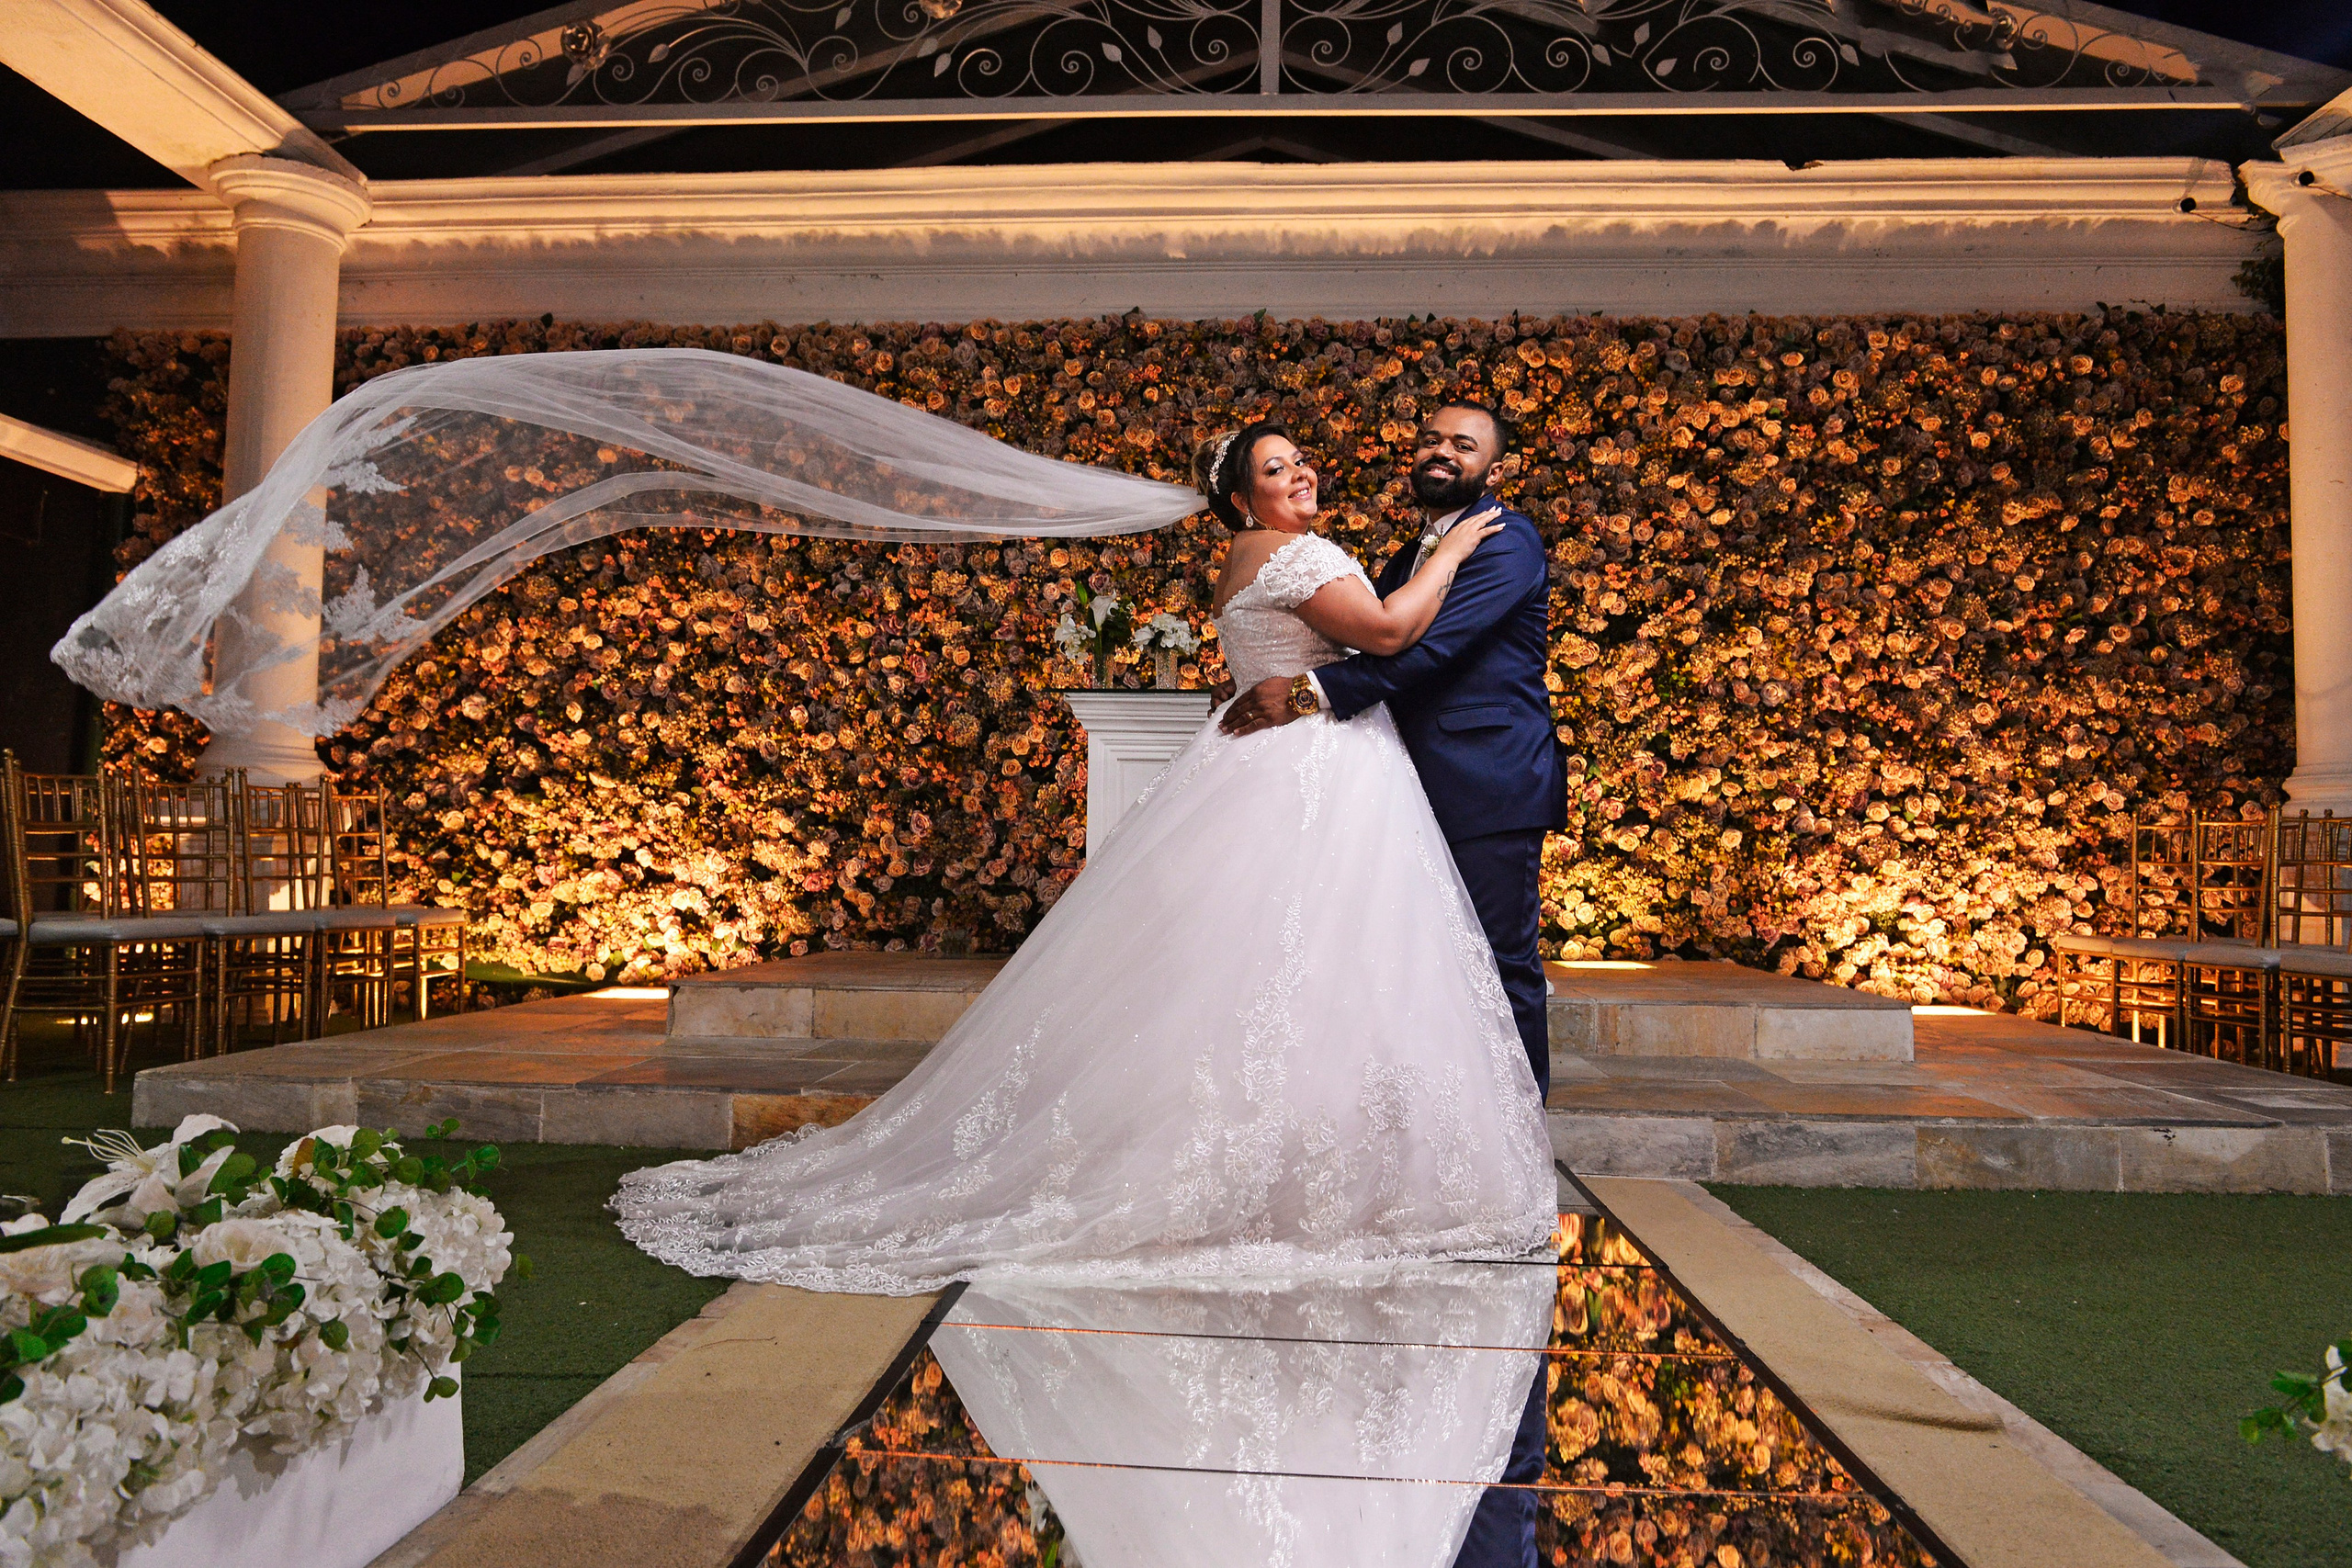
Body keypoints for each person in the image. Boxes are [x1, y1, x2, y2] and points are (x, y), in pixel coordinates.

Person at [613, 419, 1556, 1298]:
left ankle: (1329, 1170)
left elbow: (1393, 639)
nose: (1300, 471)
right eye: (1275, 468)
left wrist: (1340, 659)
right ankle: (1315, 1181)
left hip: (1315, 764)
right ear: (1240, 500)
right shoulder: (1303, 551)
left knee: (1289, 980)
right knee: (1304, 976)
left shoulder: (1283, 553)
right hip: (1313, 772)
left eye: (1299, 458)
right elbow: (1393, 634)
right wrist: (1452, 555)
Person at [1217, 402, 1567, 1568]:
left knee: (1502, 982)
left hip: (1482, 779)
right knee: (1415, 990)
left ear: (1497, 466)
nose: (1439, 455)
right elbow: (1384, 631)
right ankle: (1428, 1169)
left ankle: (1513, 1176)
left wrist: (1315, 698)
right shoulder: (1423, 536)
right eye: (1430, 439)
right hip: (1416, 788)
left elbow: (1427, 651)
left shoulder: (1499, 536)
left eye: (1462, 447)